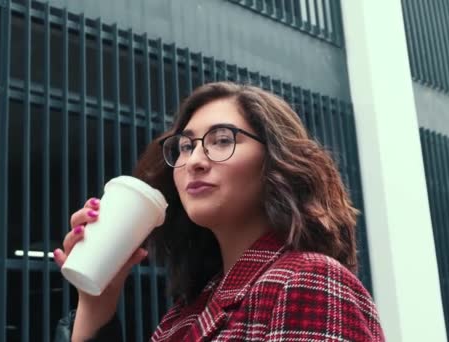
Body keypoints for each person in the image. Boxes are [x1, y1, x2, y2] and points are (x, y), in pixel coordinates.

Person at [53, 82, 385, 341]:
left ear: (277, 160)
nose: (194, 160)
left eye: (223, 140)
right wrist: (96, 303)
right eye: (186, 145)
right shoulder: (191, 308)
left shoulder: (308, 281)